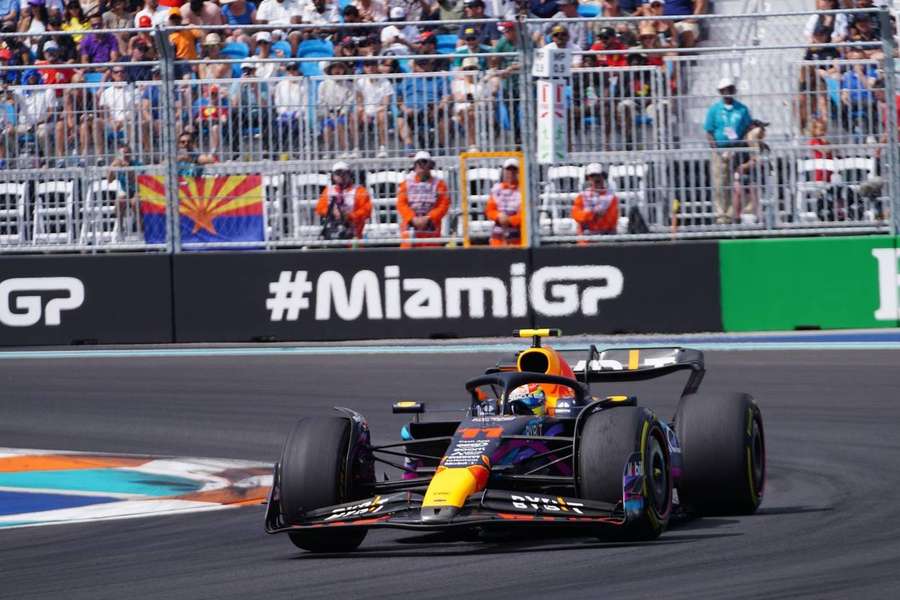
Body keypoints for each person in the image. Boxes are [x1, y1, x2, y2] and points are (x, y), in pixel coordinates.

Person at [703, 76, 752, 224]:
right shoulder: (714, 110)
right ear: (720, 92)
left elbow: (747, 128)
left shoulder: (742, 109)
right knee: (719, 182)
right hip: (720, 150)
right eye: (724, 90)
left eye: (730, 89)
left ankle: (732, 213)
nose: (728, 92)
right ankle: (720, 214)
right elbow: (709, 131)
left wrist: (740, 147)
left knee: (735, 183)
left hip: (736, 149)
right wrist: (716, 150)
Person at [396, 150, 450, 247]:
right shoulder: (406, 184)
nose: (421, 165)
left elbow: (443, 205)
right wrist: (412, 218)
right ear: (414, 165)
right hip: (410, 232)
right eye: (418, 163)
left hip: (431, 232)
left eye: (424, 162)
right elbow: (401, 204)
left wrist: (429, 218)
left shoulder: (440, 184)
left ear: (430, 165)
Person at [315, 160, 372, 241]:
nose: (340, 176)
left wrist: (349, 215)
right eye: (337, 173)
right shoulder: (328, 190)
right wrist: (332, 212)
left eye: (343, 173)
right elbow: (319, 208)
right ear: (333, 176)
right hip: (332, 233)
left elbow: (366, 212)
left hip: (354, 234)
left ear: (349, 174)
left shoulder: (360, 191)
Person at [355, 57, 394, 158]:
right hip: (365, 111)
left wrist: (377, 111)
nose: (370, 68)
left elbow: (386, 103)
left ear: (377, 67)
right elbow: (359, 102)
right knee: (354, 116)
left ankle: (383, 148)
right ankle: (356, 148)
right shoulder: (360, 82)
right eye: (367, 65)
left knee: (382, 116)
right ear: (364, 68)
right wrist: (364, 113)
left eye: (373, 65)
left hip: (379, 110)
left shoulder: (385, 82)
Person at [732, 120, 769, 222]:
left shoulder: (764, 147)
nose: (764, 132)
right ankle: (736, 218)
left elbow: (767, 166)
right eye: (761, 129)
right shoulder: (742, 147)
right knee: (738, 188)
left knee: (753, 186)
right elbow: (737, 168)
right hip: (744, 177)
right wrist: (749, 164)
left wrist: (760, 163)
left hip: (760, 177)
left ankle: (759, 217)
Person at [572, 163, 619, 239]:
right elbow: (576, 216)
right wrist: (593, 215)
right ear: (588, 179)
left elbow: (612, 221)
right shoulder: (582, 197)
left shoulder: (611, 197)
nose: (596, 179)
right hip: (586, 239)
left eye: (598, 176)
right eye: (592, 176)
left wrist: (589, 217)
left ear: (603, 177)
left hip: (606, 238)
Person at [107, 142, 143, 239]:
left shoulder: (137, 164)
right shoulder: (118, 165)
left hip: (139, 191)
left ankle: (140, 229)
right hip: (126, 192)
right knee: (119, 202)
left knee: (135, 202)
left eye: (127, 153)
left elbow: (136, 181)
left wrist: (128, 169)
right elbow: (109, 180)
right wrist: (112, 168)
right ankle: (120, 229)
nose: (125, 155)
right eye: (123, 153)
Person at [485, 158, 522, 246]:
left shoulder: (523, 190)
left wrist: (509, 220)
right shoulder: (496, 189)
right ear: (503, 172)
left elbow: (525, 214)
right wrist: (499, 216)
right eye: (508, 170)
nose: (511, 173)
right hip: (498, 236)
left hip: (518, 237)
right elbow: (489, 210)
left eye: (514, 170)